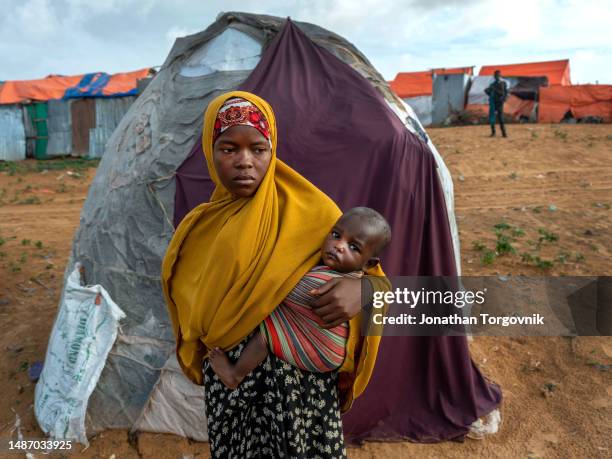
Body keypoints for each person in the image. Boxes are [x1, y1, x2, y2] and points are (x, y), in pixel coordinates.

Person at [162, 91, 389, 458]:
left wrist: (362, 291)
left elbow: (371, 273)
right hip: (235, 390)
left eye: (258, 148)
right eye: (228, 148)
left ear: (272, 150)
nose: (244, 162)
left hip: (303, 392)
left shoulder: (314, 211)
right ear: (209, 149)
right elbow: (191, 305)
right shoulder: (199, 230)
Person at [208, 207, 392, 389]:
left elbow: (283, 287)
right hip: (320, 355)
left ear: (368, 264)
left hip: (320, 352)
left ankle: (235, 374)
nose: (339, 246)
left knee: (267, 333)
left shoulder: (336, 282)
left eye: (353, 247)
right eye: (336, 235)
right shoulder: (333, 270)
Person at [484, 70, 508, 137]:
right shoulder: (492, 85)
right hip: (493, 103)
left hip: (500, 103)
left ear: (500, 76)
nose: (497, 77)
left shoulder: (503, 83)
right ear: (494, 76)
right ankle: (493, 133)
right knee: (492, 118)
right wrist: (491, 95)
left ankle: (504, 133)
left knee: (500, 118)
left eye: (498, 75)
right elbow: (486, 91)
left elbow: (506, 92)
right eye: (495, 76)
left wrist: (503, 99)